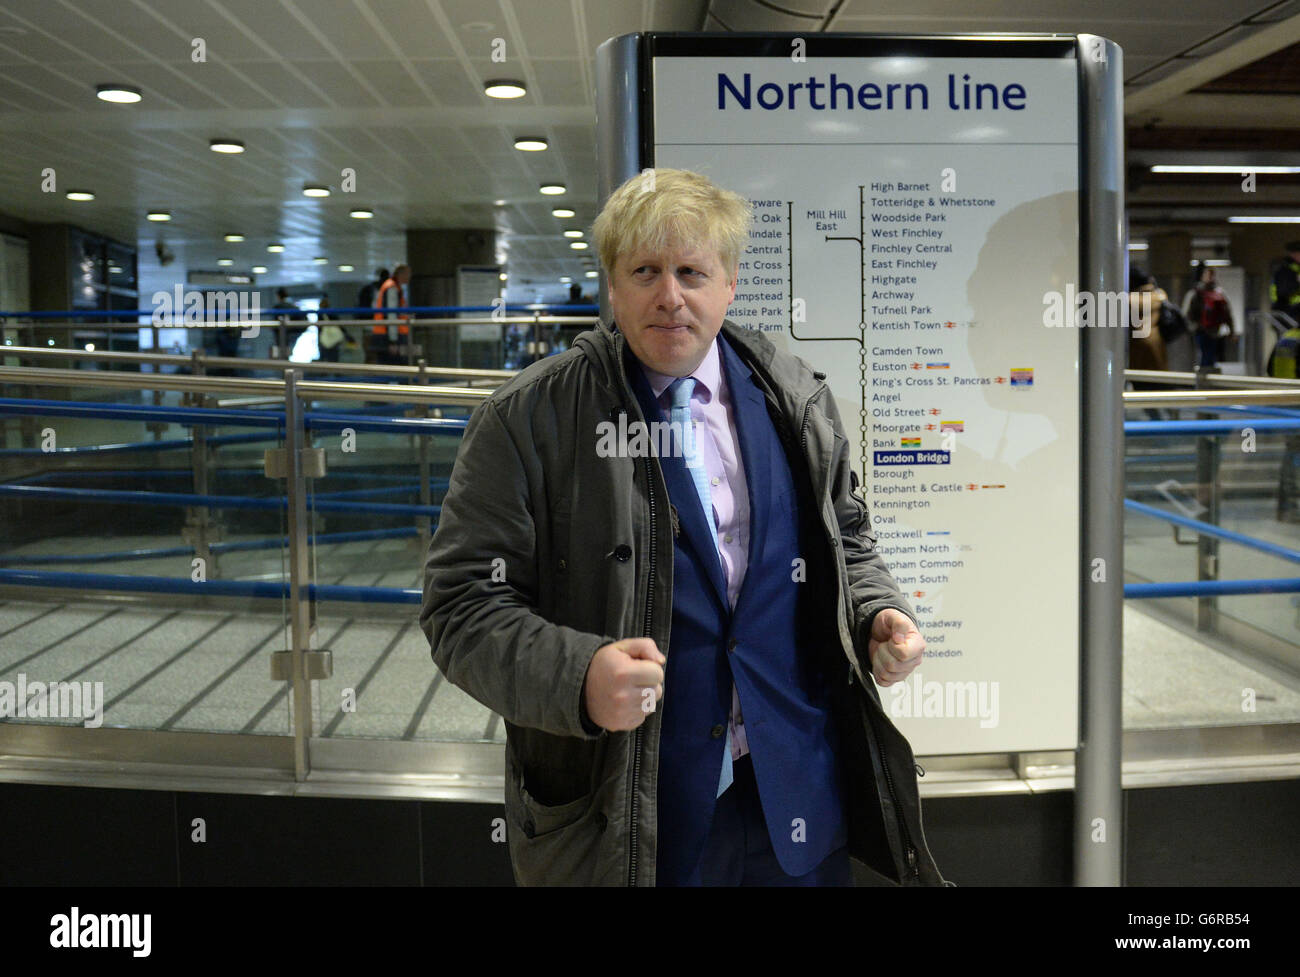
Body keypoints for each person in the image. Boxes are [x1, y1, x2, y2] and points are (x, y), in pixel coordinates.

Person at [420, 168, 943, 887]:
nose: (670, 296)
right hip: (635, 816)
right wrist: (577, 676)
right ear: (613, 284)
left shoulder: (793, 397)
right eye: (645, 271)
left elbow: (845, 536)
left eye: (692, 272)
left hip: (796, 799)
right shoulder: (527, 421)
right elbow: (461, 609)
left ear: (728, 284)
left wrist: (877, 609)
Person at [1183, 263, 1233, 368]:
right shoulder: (1219, 293)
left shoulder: (1196, 292)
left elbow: (1186, 313)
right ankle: (1209, 379)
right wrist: (1231, 330)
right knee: (1210, 357)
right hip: (1215, 330)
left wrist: (1192, 327)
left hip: (1201, 330)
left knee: (1204, 357)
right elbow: (1228, 313)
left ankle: (1203, 380)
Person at [370, 264, 411, 365]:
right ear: (401, 274)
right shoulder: (391, 287)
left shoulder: (393, 287)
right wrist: (393, 341)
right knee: (398, 369)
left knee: (389, 369)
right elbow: (390, 314)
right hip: (388, 336)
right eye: (408, 274)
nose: (410, 277)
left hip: (386, 334)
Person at [1271, 241, 1300, 323]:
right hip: (1289, 316)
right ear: (1294, 254)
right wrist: (1297, 282)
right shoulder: (1285, 271)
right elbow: (1284, 291)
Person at [316, 297, 346, 363]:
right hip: (334, 339)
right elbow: (339, 324)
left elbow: (319, 328)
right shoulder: (332, 312)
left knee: (324, 357)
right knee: (334, 358)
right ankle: (335, 371)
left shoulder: (319, 314)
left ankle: (325, 371)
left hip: (324, 339)